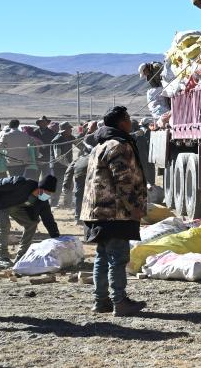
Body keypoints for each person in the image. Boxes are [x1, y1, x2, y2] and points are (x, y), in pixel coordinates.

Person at [81, 106, 148, 317]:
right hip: (115, 212)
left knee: (102, 256)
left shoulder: (99, 146)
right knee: (117, 258)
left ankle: (101, 301)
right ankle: (120, 301)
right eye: (128, 118)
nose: (130, 122)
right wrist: (134, 207)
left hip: (97, 211)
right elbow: (123, 180)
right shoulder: (119, 146)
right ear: (121, 123)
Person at [0, 174, 60, 268]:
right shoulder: (21, 183)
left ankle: (21, 256)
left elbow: (48, 219)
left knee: (32, 223)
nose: (48, 195)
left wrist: (56, 236)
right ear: (41, 188)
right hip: (1, 204)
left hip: (17, 208)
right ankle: (2, 258)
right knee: (4, 226)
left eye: (50, 194)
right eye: (48, 192)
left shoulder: (42, 201)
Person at [48, 122, 75, 204]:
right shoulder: (57, 140)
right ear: (64, 130)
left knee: (69, 183)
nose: (71, 130)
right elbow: (58, 157)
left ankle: (67, 202)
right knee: (57, 185)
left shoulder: (70, 137)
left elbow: (79, 144)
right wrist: (69, 165)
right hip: (57, 166)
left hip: (67, 165)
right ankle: (54, 202)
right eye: (69, 128)